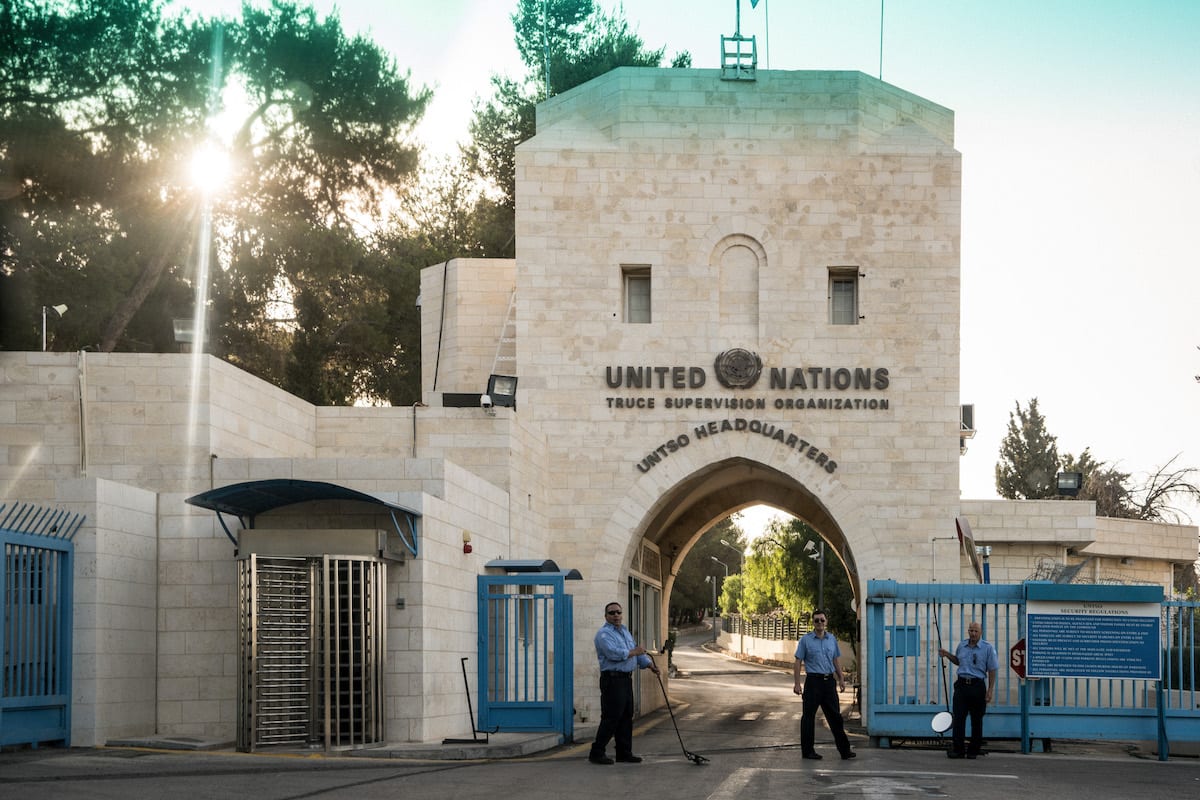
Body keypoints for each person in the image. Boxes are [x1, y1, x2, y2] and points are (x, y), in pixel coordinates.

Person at [588, 601, 659, 765]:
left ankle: (624, 752)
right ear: (606, 616)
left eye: (618, 612)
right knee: (612, 716)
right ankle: (597, 752)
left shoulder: (625, 632)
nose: (616, 615)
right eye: (612, 613)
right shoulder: (604, 634)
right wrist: (635, 651)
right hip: (612, 680)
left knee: (626, 716)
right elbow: (613, 653)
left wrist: (650, 665)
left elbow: (637, 653)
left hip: (625, 679)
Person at [792, 610, 856, 760]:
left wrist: (841, 678)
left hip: (829, 683)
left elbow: (835, 660)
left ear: (826, 621)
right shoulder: (806, 640)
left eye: (822, 620)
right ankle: (808, 751)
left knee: (835, 717)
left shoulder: (831, 639)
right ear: (813, 623)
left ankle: (845, 751)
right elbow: (798, 661)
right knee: (808, 717)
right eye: (816, 620)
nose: (819, 623)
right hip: (813, 682)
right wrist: (797, 683)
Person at [938, 620, 999, 759]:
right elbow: (958, 661)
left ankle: (973, 750)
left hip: (977, 686)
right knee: (959, 718)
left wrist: (990, 690)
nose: (973, 633)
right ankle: (958, 749)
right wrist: (947, 654)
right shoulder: (962, 645)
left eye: (976, 631)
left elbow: (992, 669)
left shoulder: (988, 648)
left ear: (981, 632)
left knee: (977, 720)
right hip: (962, 686)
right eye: (971, 630)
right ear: (968, 631)